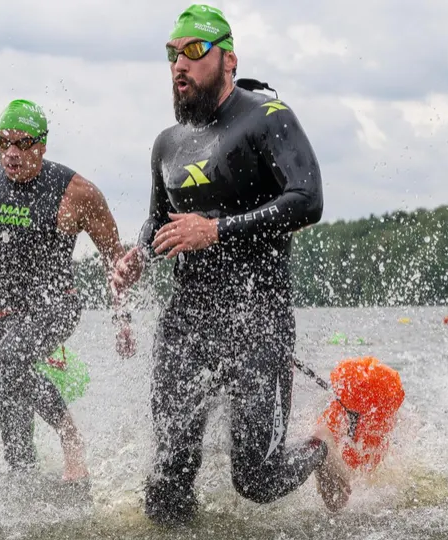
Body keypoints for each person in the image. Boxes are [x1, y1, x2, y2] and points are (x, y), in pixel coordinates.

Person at [110, 4, 351, 525]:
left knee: (256, 479)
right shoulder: (167, 144)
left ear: (229, 59)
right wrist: (137, 257)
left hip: (257, 316)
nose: (180, 64)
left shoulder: (267, 117)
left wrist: (216, 230)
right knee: (167, 481)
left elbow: (308, 200)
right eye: (172, 54)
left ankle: (319, 452)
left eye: (194, 52)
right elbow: (158, 225)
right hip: (186, 320)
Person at [0, 99, 136, 481]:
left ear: (42, 144)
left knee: (10, 361)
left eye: (22, 143)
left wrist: (122, 318)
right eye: (3, 142)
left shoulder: (76, 192)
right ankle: (29, 502)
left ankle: (70, 436)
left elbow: (116, 260)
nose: (11, 153)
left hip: (56, 305)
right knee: (14, 440)